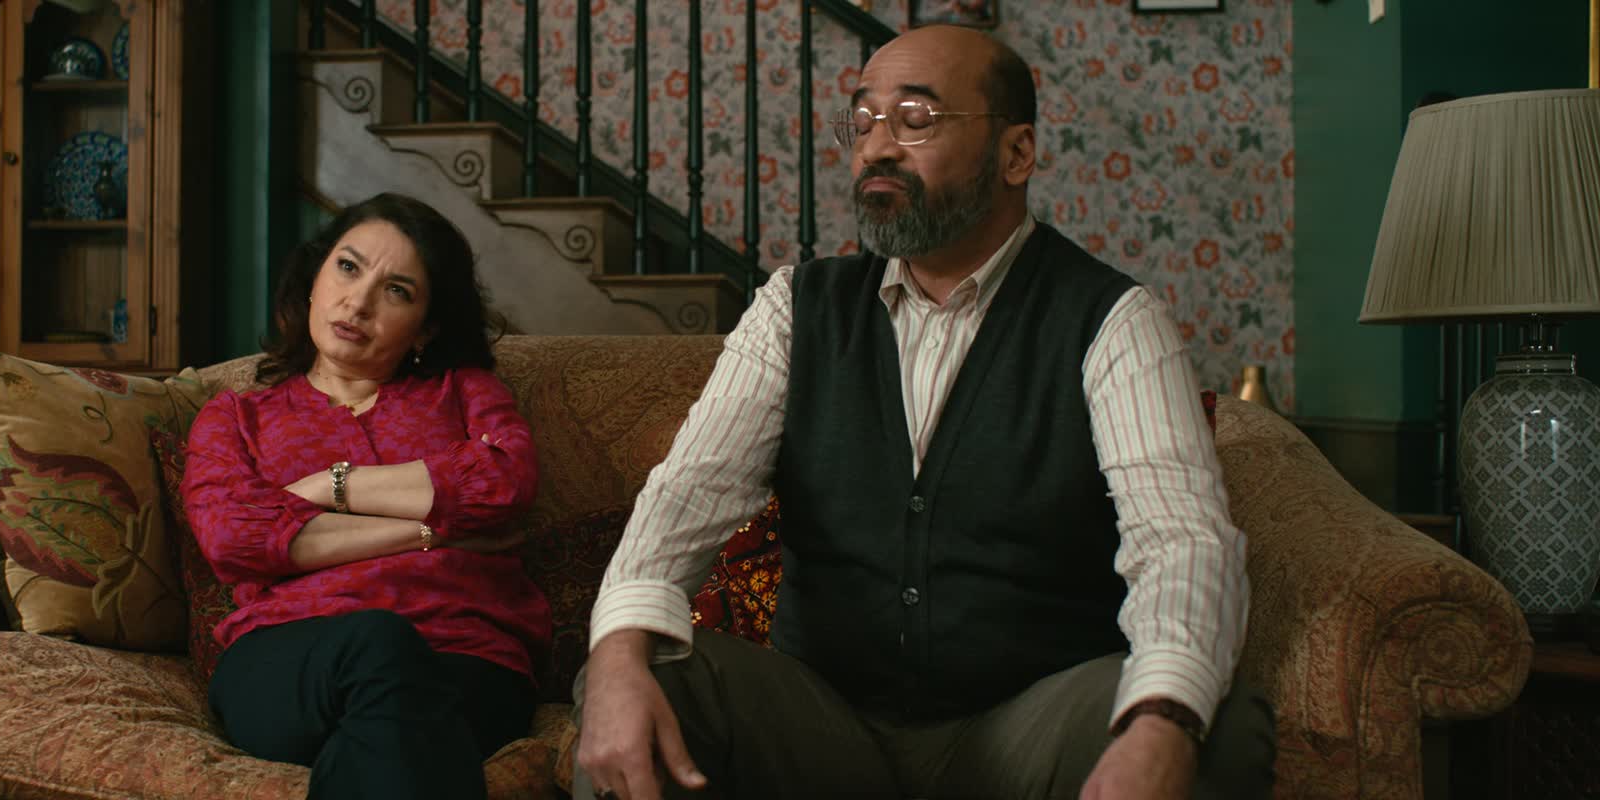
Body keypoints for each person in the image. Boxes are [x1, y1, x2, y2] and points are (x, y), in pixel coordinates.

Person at [573, 25, 1274, 800]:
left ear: (1016, 153)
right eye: (862, 121)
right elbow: (688, 494)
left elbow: (1181, 540)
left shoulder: (1112, 320)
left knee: (1212, 727)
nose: (876, 147)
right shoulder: (796, 308)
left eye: (915, 119)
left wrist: (1162, 719)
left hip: (1028, 727)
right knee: (638, 675)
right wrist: (616, 651)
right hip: (823, 729)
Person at [181, 192, 545, 799]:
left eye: (397, 291)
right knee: (378, 642)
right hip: (286, 660)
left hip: (463, 656)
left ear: (427, 326)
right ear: (315, 279)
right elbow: (235, 539)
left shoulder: (464, 391)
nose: (358, 302)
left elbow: (504, 482)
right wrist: (431, 531)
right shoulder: (236, 417)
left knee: (385, 707)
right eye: (348, 268)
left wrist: (333, 486)